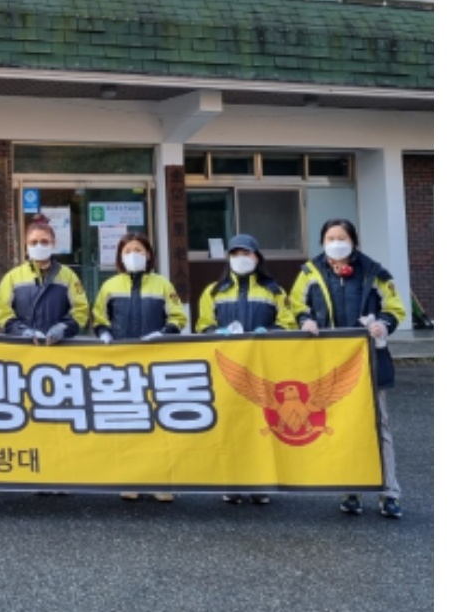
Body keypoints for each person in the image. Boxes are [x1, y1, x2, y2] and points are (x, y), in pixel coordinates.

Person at [289, 218, 407, 520]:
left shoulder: (374, 272)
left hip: (369, 362)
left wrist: (384, 324)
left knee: (379, 427)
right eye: (330, 238)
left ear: (353, 241)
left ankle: (389, 492)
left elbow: (394, 307)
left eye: (342, 237)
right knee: (342, 427)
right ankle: (351, 489)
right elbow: (294, 306)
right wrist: (305, 321)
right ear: (322, 242)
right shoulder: (310, 273)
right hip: (329, 366)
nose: (336, 243)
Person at [196, 232, 295, 506]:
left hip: (263, 367)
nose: (241, 258)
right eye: (236, 254)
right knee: (230, 425)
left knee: (261, 426)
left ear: (257, 257)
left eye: (246, 253)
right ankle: (232, 482)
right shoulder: (213, 291)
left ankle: (260, 483)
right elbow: (203, 325)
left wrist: (268, 332)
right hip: (226, 369)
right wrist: (220, 333)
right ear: (228, 258)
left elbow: (288, 323)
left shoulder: (274, 291)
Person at [92, 232, 186, 504]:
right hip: (121, 365)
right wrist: (103, 333)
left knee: (158, 423)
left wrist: (164, 333)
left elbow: (178, 317)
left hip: (156, 363)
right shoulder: (109, 286)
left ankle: (160, 482)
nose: (134, 255)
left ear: (149, 255)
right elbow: (98, 317)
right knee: (127, 424)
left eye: (139, 250)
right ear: (120, 256)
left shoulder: (162, 285)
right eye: (128, 250)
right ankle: (129, 479)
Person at [0, 214, 89, 344]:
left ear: (53, 243)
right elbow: (2, 310)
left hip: (59, 347)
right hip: (23, 348)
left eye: (44, 242)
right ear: (26, 245)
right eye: (33, 242)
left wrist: (63, 328)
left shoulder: (68, 276)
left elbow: (81, 309)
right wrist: (21, 331)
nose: (39, 246)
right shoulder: (12, 277)